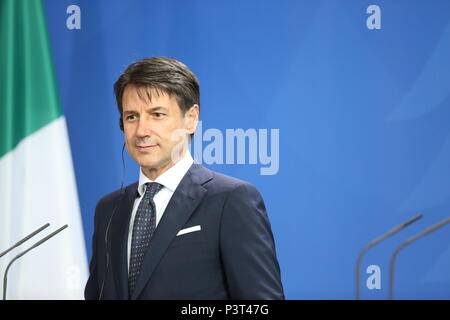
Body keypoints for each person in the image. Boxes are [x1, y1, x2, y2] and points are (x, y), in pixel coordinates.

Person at [84, 57, 284, 300]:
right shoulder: (108, 209)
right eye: (131, 117)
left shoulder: (231, 199)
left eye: (157, 115)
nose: (141, 131)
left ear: (191, 119)